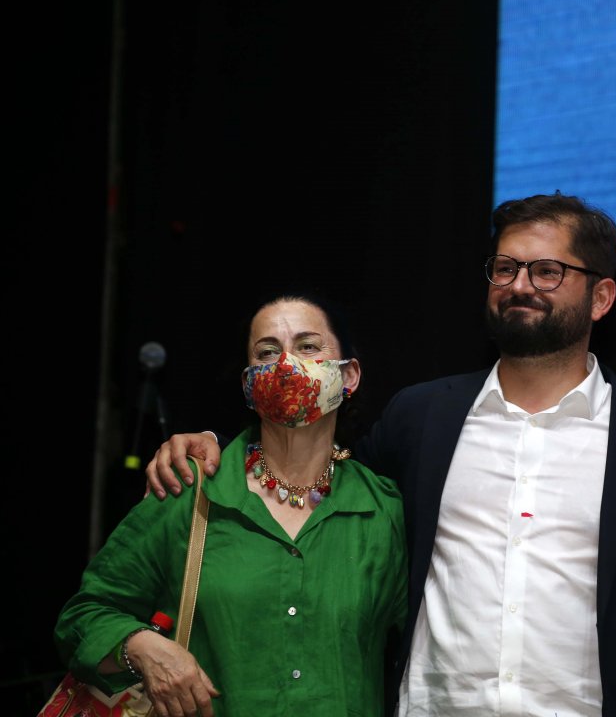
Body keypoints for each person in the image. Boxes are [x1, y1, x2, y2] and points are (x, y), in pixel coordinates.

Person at [144, 193, 616, 716]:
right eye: (504, 268)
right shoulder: (422, 417)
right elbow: (314, 476)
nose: (520, 285)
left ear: (601, 297)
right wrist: (215, 443)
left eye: (548, 270)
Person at [54, 294, 408, 717]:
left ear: (348, 376)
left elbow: (420, 648)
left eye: (308, 346)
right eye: (267, 352)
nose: (285, 364)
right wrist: (142, 648)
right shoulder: (190, 491)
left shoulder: (383, 510)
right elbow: (82, 619)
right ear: (248, 384)